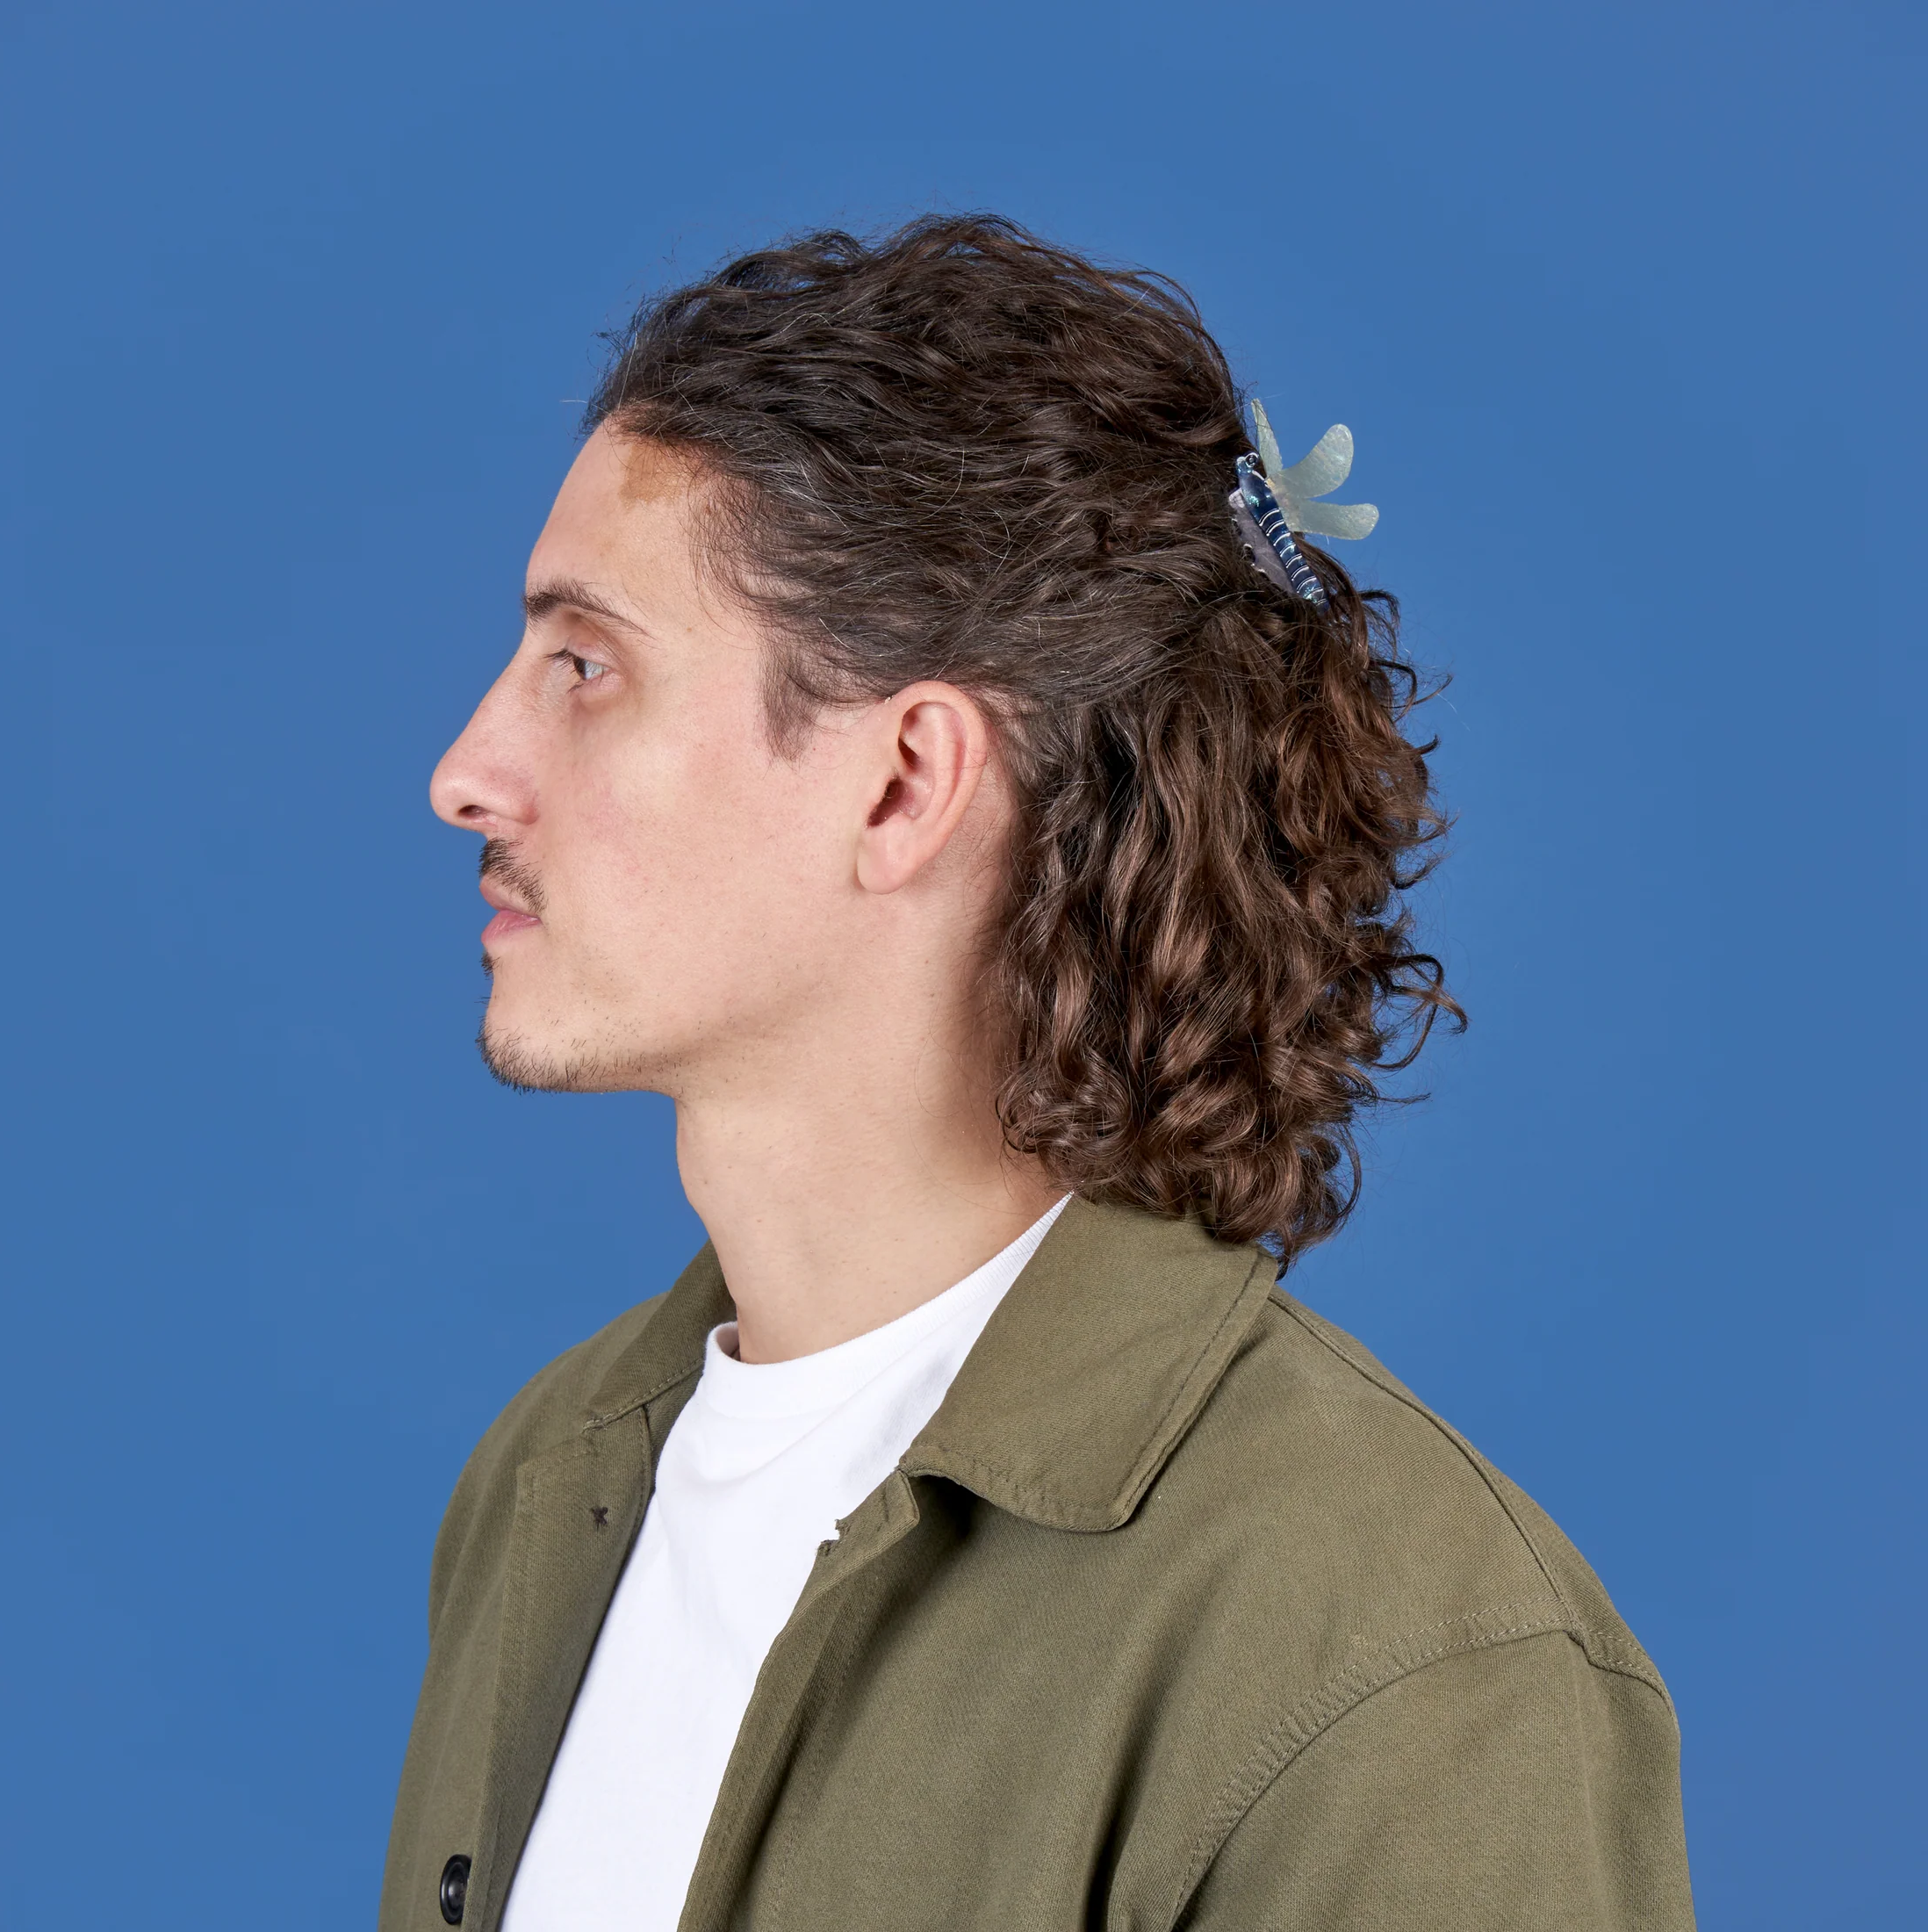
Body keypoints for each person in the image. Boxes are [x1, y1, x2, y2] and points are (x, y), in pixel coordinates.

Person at [380, 215, 1695, 1932]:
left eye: (585, 665)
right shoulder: (547, 1475)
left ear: (902, 783)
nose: (464, 769)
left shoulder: (1407, 1663)